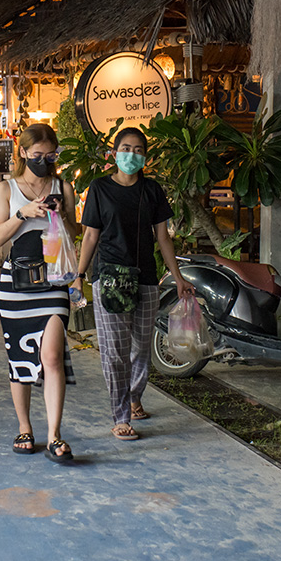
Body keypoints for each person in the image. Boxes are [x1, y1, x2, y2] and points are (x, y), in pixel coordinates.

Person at [74, 126, 194, 441]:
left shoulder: (152, 190)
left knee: (141, 347)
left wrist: (178, 278)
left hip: (145, 279)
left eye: (139, 149)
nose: (132, 155)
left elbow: (163, 237)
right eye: (126, 148)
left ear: (145, 156)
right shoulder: (99, 188)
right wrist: (79, 273)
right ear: (114, 154)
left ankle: (134, 395)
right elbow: (90, 235)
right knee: (115, 351)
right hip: (110, 280)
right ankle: (121, 416)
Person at [0, 123, 79, 465]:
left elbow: (75, 231)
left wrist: (60, 215)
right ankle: (25, 427)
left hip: (54, 279)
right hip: (17, 282)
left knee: (52, 356)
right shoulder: (6, 189)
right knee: (20, 358)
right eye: (37, 155)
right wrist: (22, 213)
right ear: (23, 153)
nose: (43, 160)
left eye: (50, 155)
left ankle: (55, 434)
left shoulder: (62, 186)